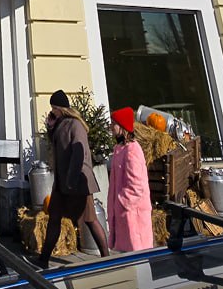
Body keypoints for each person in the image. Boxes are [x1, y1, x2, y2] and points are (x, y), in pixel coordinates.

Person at [35, 89, 109, 269]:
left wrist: (72, 178)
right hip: (62, 182)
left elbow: (79, 152)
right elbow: (57, 143)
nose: (52, 111)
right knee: (54, 218)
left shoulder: (75, 125)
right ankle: (43, 259)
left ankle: (107, 258)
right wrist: (50, 127)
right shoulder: (61, 124)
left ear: (61, 108)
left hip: (78, 182)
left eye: (54, 108)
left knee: (90, 219)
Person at [107, 107, 154, 252]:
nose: (111, 127)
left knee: (138, 254)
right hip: (124, 215)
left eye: (114, 124)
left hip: (133, 214)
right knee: (128, 254)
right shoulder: (119, 148)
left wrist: (123, 203)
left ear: (122, 127)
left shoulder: (132, 150)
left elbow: (137, 185)